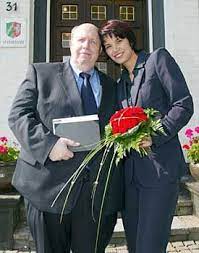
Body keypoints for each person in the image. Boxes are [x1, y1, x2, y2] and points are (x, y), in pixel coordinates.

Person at [8, 23, 123, 253]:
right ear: (70, 44)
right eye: (81, 40)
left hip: (93, 197)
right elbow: (18, 116)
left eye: (93, 42)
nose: (86, 46)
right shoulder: (41, 74)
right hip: (49, 190)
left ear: (100, 50)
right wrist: (49, 145)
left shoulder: (112, 86)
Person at [99, 20, 194, 253]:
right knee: (135, 245)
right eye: (109, 46)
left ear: (130, 40)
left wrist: (155, 135)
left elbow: (183, 105)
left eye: (118, 41)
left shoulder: (157, 60)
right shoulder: (120, 83)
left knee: (150, 246)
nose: (115, 49)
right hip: (130, 179)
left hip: (160, 172)